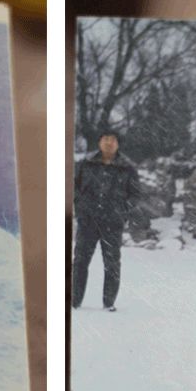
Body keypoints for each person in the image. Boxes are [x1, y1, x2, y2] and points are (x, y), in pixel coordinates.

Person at [71, 129, 141, 311]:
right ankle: (74, 300)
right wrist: (81, 207)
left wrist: (121, 212)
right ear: (99, 142)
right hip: (87, 221)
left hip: (112, 223)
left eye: (113, 140)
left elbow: (135, 195)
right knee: (80, 261)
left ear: (117, 144)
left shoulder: (127, 168)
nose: (109, 143)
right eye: (105, 139)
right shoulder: (86, 164)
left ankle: (108, 302)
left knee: (112, 264)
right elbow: (73, 188)